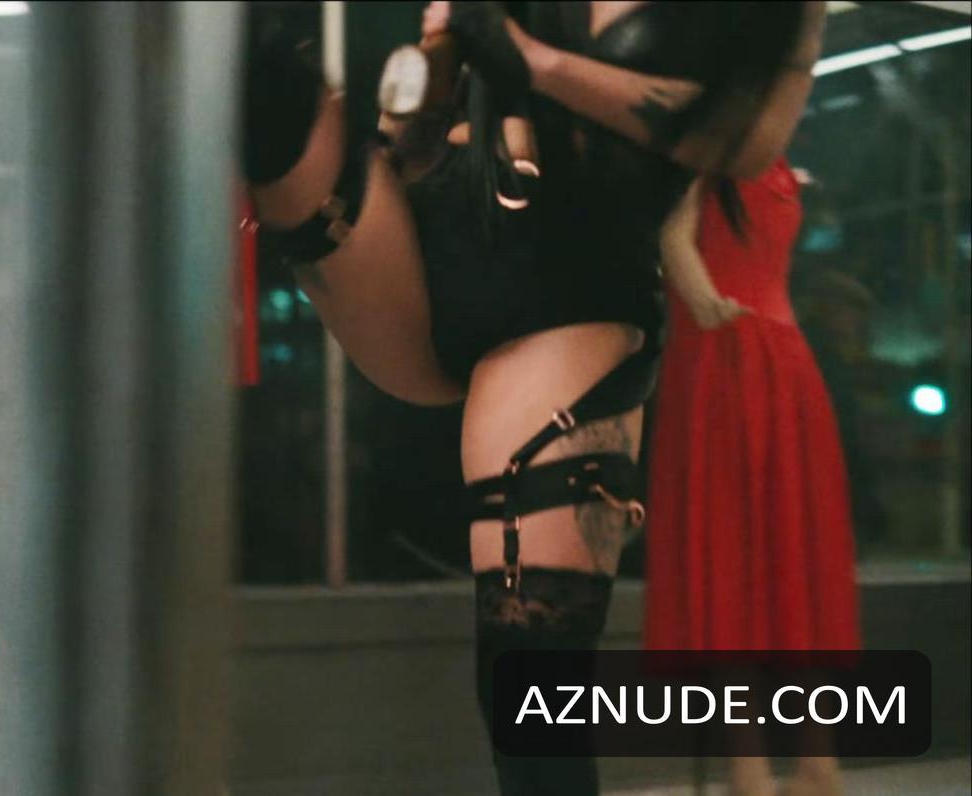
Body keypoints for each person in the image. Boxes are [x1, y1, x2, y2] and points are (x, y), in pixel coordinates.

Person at [241, 2, 823, 793]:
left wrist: (531, 60)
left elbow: (742, 140)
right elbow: (418, 110)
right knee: (258, 77)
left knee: (528, 687)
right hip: (417, 232)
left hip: (566, 294)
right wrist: (429, 86)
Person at [643, 163, 860, 796]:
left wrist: (705, 300)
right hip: (737, 356)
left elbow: (676, 238)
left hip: (759, 360)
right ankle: (771, 766)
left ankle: (794, 766)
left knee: (769, 557)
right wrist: (703, 299)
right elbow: (675, 237)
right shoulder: (718, 158)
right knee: (754, 558)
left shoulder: (761, 164)